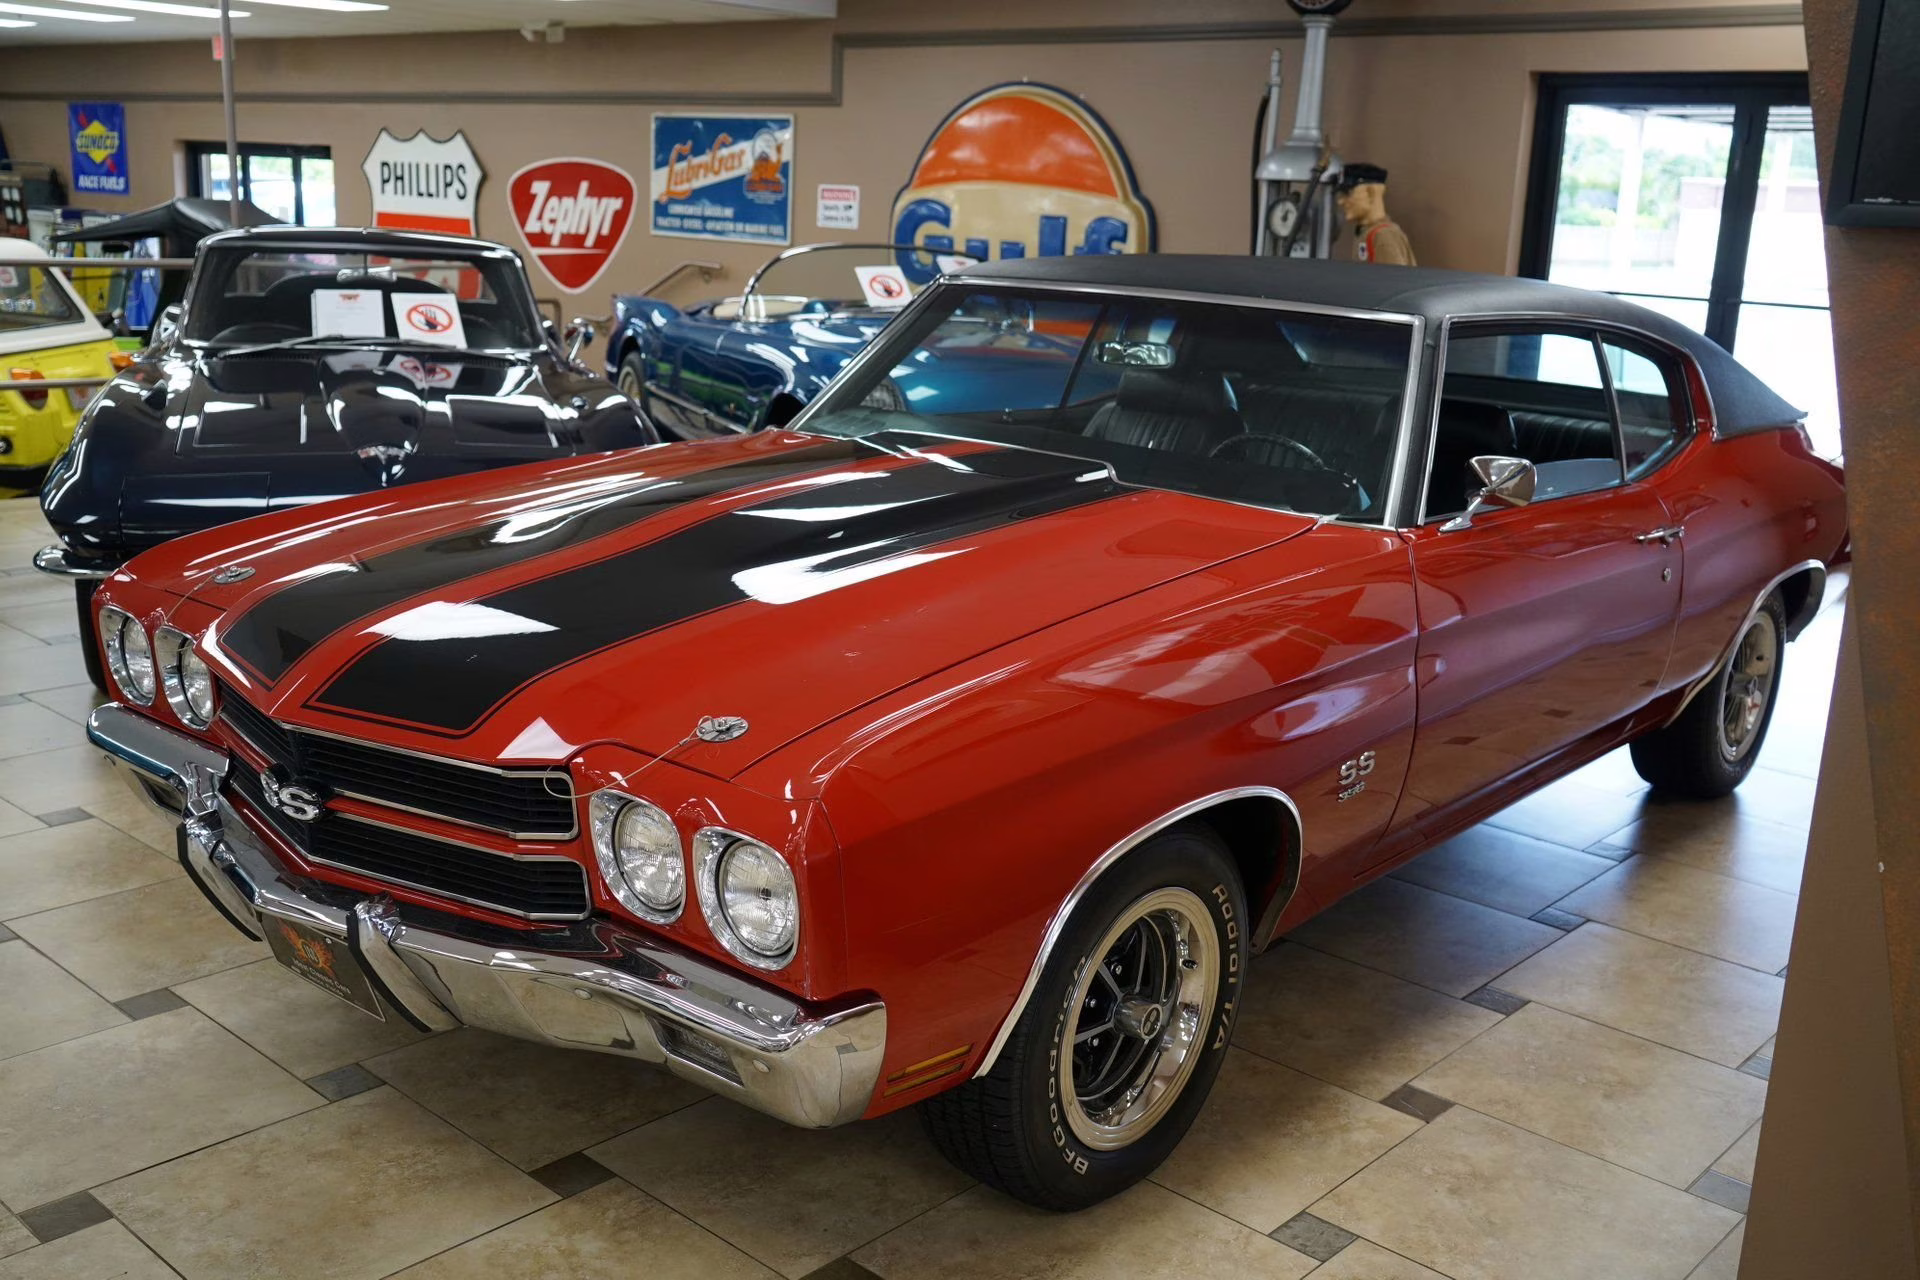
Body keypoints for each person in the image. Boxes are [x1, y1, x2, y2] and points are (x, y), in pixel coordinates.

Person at [1335, 163, 1417, 267]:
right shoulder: (1366, 232)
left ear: (1370, 193)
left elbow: (1393, 281)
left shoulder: (1383, 236)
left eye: (1348, 193)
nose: (1340, 201)